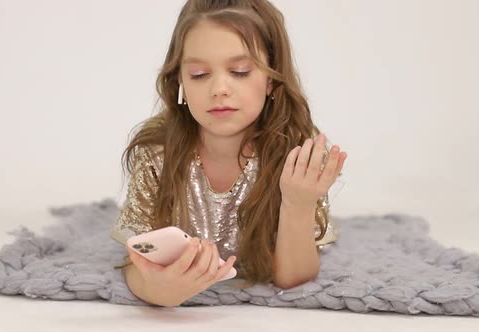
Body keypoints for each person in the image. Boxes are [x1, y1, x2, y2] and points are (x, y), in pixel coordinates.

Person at [109, 0, 347, 307]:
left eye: (239, 71)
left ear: (272, 80)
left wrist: (298, 204)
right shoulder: (158, 152)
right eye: (198, 74)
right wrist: (159, 291)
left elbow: (292, 279)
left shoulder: (297, 151)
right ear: (179, 80)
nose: (219, 88)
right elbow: (136, 260)